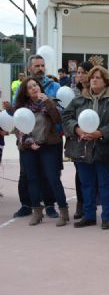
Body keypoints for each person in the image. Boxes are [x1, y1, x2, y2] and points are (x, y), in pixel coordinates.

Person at [62, 65, 109, 230]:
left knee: (104, 183)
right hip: (82, 147)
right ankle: (89, 216)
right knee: (87, 183)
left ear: (106, 81)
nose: (94, 80)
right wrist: (77, 129)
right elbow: (67, 116)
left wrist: (101, 133)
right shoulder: (80, 99)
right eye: (92, 77)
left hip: (103, 147)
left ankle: (106, 217)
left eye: (98, 77)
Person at [6, 55, 60, 219]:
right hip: (28, 140)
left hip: (49, 139)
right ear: (30, 68)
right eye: (37, 66)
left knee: (50, 174)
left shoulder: (54, 86)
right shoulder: (23, 89)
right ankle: (27, 205)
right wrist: (10, 110)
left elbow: (59, 112)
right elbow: (19, 115)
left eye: (43, 65)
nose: (40, 68)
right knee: (27, 174)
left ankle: (50, 205)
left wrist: (48, 102)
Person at [13, 78, 69, 226]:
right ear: (25, 92)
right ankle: (37, 212)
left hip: (48, 145)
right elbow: (17, 129)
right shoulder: (21, 108)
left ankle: (63, 211)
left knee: (53, 178)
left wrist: (48, 102)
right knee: (32, 179)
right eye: (30, 87)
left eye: (35, 85)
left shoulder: (50, 101)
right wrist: (29, 142)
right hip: (29, 147)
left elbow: (58, 119)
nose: (34, 88)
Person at [70, 61, 96, 219]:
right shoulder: (73, 92)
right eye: (77, 73)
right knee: (80, 172)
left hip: (95, 137)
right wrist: (77, 129)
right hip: (78, 138)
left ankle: (92, 203)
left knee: (97, 173)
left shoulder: (98, 90)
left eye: (82, 72)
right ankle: (81, 204)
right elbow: (67, 114)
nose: (78, 75)